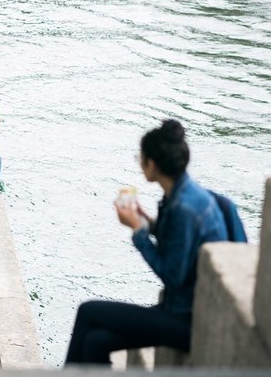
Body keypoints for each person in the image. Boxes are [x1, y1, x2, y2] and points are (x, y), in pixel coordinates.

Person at [64, 119, 228, 366]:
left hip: (188, 320)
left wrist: (138, 232)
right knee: (96, 341)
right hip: (183, 309)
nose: (140, 165)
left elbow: (172, 275)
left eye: (140, 159)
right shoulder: (186, 195)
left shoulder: (183, 207)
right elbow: (181, 243)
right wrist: (149, 223)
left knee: (88, 312)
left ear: (151, 163)